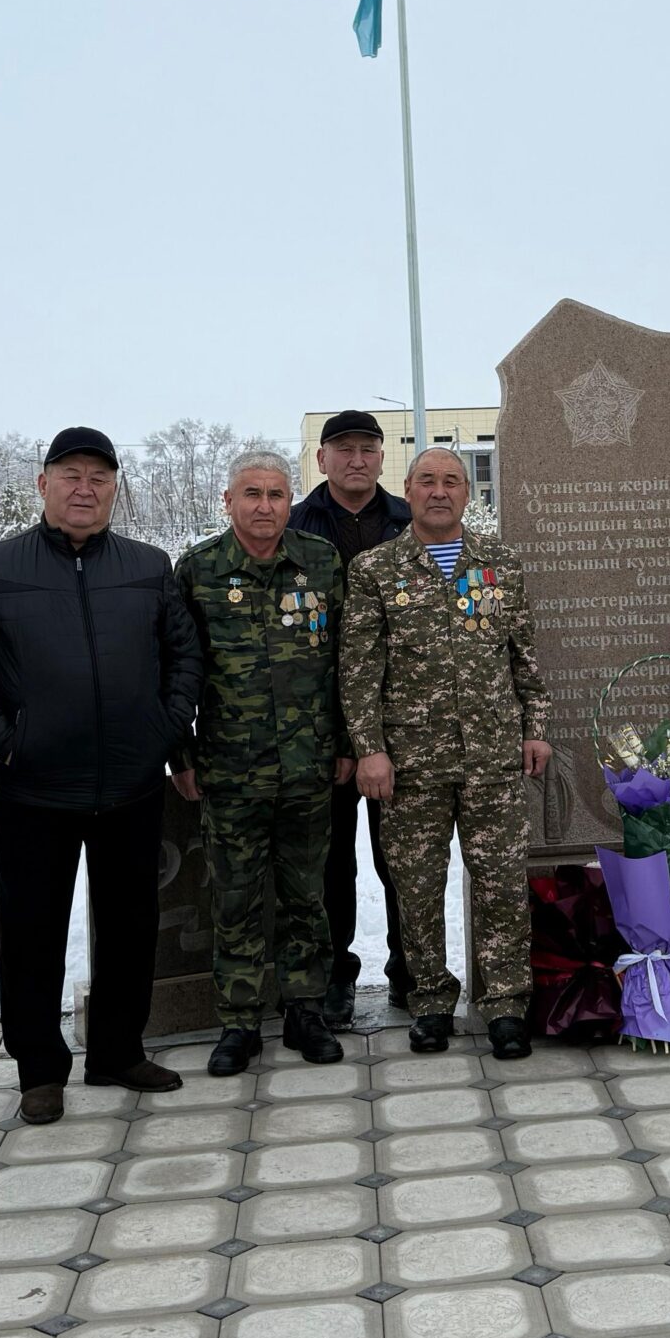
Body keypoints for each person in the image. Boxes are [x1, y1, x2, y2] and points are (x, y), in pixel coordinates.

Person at [0, 426, 200, 1123]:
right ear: (43, 484)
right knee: (32, 931)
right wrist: (5, 737)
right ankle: (38, 1068)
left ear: (115, 488)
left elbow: (183, 659)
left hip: (130, 782)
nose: (85, 488)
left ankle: (118, 1049)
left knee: (130, 923)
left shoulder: (149, 566)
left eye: (99, 477)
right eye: (71, 475)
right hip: (35, 787)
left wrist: (163, 730)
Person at [339, 446, 550, 1060]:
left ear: (467, 493)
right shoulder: (377, 570)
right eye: (427, 481)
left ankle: (506, 1004)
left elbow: (526, 660)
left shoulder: (500, 565)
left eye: (451, 481)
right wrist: (370, 750)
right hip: (412, 764)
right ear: (407, 490)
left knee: (501, 885)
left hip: (492, 759)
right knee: (417, 887)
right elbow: (358, 672)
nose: (439, 491)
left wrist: (535, 728)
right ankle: (429, 1001)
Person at [176, 447, 348, 1075]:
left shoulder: (321, 563)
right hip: (230, 768)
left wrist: (349, 746)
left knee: (307, 895)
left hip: (309, 766)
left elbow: (344, 664)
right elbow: (178, 671)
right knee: (237, 898)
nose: (265, 506)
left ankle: (305, 1010)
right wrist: (181, 755)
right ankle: (240, 1023)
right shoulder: (197, 571)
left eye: (277, 494)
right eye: (252, 494)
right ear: (229, 502)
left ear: (290, 501)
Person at [287, 409, 415, 1025]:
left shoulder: (409, 522)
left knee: (402, 855)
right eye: (344, 449)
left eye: (368, 448)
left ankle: (409, 968)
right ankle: (336, 973)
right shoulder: (293, 527)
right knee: (330, 860)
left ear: (381, 458)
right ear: (322, 460)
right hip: (320, 725)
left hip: (404, 720)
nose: (356, 459)